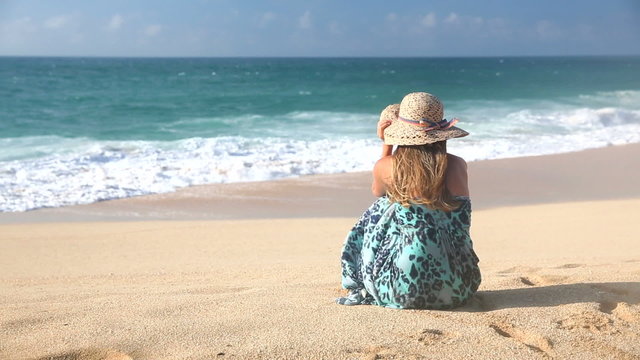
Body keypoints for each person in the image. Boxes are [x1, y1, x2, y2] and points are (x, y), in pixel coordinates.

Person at [337, 92, 481, 310]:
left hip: (401, 290)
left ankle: (359, 278)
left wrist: (386, 145)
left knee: (380, 207)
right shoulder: (458, 165)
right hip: (461, 285)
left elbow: (378, 191)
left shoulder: (386, 166)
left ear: (400, 135)